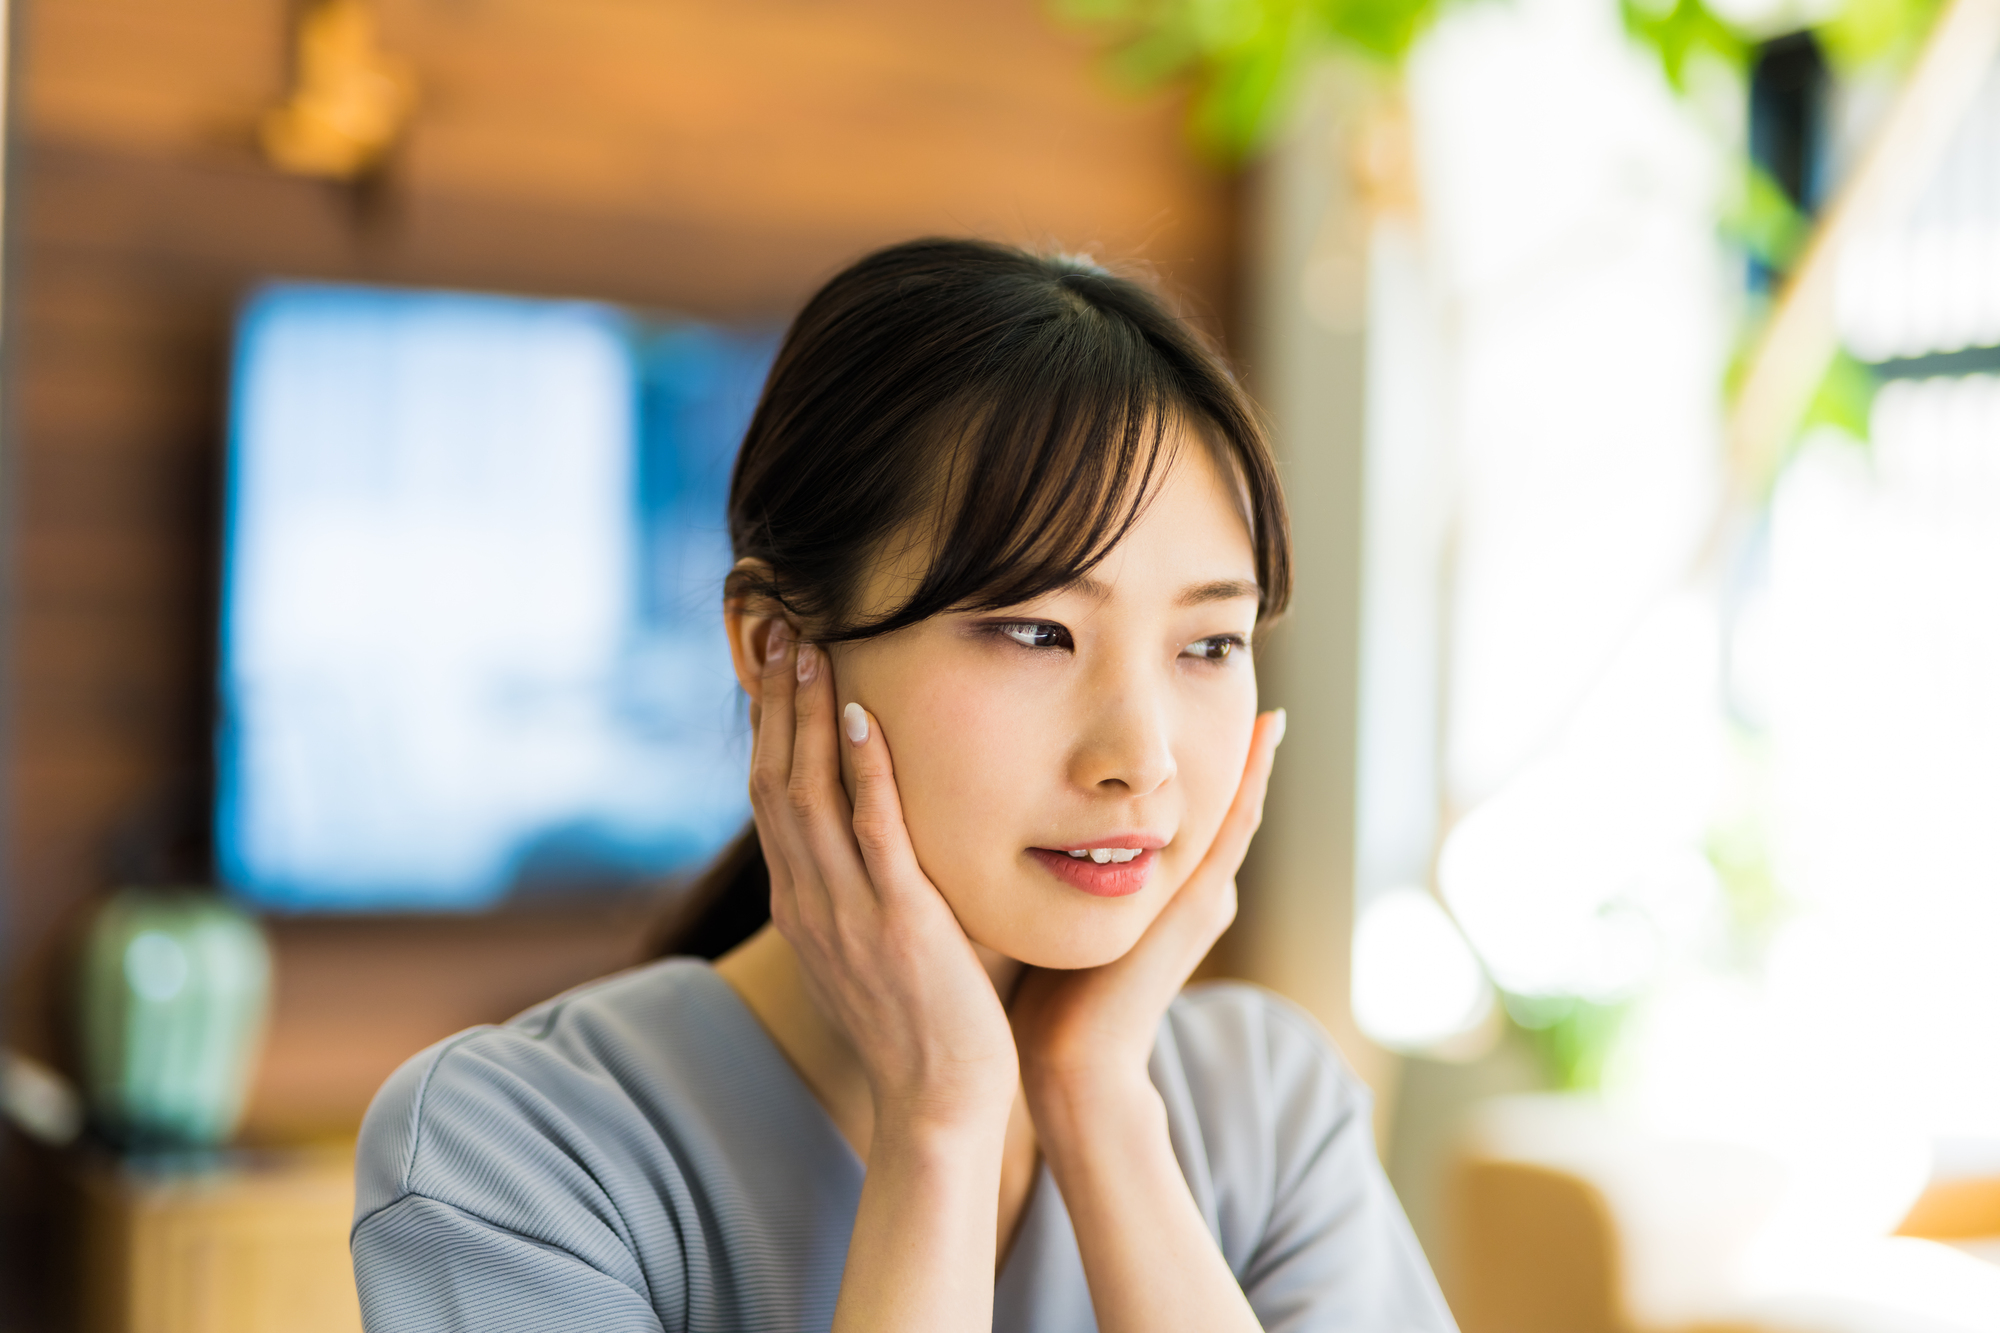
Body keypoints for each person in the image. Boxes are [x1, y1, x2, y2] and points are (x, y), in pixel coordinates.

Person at [351, 238, 1455, 1333]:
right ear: (775, 644)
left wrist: (1101, 1105)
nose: (1143, 757)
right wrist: (940, 1115)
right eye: (1035, 631)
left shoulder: (1264, 1111)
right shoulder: (511, 1155)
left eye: (1208, 643)